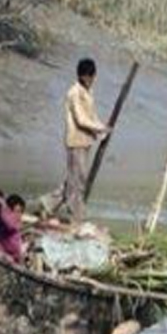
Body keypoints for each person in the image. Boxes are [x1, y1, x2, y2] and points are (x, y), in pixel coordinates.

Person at [48, 58, 110, 223]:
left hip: (85, 140)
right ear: (82, 76)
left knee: (74, 178)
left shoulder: (88, 92)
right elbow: (81, 120)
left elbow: (92, 116)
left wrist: (100, 130)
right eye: (88, 77)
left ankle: (47, 204)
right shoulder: (74, 93)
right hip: (75, 141)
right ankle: (76, 214)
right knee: (78, 180)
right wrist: (100, 128)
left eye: (92, 77)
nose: (91, 80)